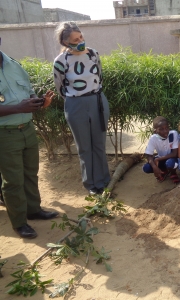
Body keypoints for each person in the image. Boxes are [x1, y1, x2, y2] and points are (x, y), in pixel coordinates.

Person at [0, 47, 58, 239]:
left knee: (30, 173)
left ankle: (33, 210)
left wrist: (38, 101)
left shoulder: (13, 65)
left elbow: (29, 90)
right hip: (5, 134)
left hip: (27, 128)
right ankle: (19, 223)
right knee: (13, 180)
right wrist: (17, 107)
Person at [53, 21, 110, 196]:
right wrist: (77, 99)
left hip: (98, 101)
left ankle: (104, 180)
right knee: (84, 147)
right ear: (66, 43)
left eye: (81, 37)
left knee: (99, 144)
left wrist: (93, 96)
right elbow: (60, 87)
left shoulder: (93, 54)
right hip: (75, 105)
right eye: (75, 39)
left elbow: (99, 77)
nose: (80, 41)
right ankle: (91, 184)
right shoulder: (61, 61)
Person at [142, 116, 180, 184]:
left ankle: (173, 173)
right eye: (161, 129)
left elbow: (174, 154)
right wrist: (154, 167)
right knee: (147, 168)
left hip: (172, 158)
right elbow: (149, 155)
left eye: (166, 128)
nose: (165, 131)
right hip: (161, 159)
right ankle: (163, 171)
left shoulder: (173, 134)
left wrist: (158, 159)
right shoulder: (153, 138)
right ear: (155, 130)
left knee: (170, 163)